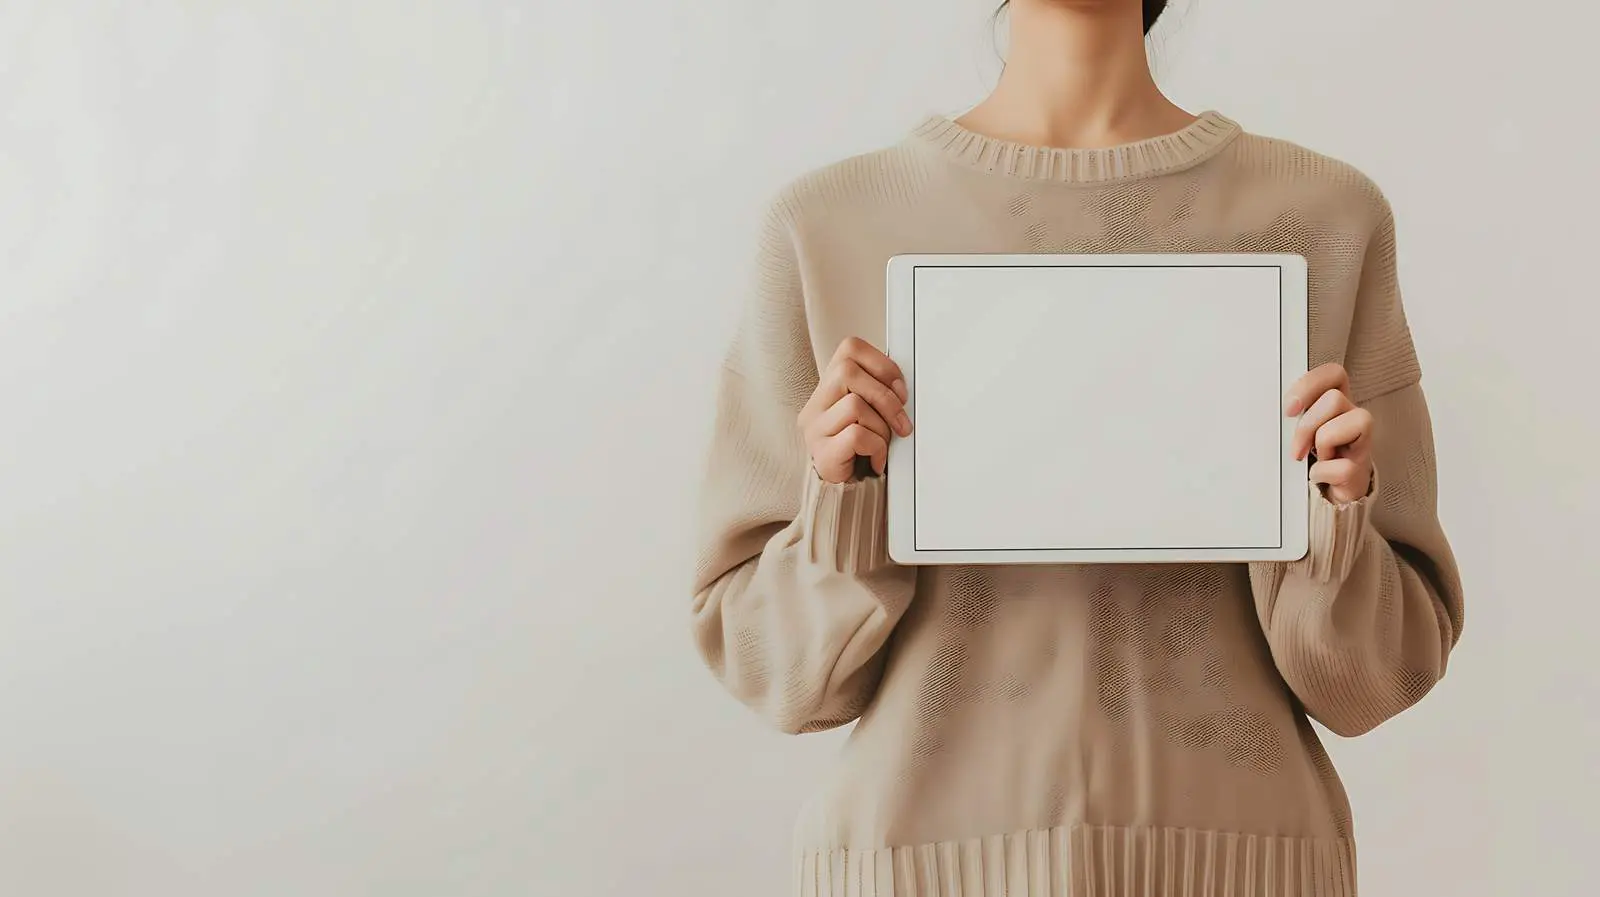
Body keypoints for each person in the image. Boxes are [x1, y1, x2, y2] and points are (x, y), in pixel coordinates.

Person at [688, 1, 1465, 894]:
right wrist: (841, 502)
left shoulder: (1326, 216)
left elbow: (1377, 679)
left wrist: (1336, 520)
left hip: (1245, 859)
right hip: (918, 863)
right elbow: (772, 671)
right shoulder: (826, 225)